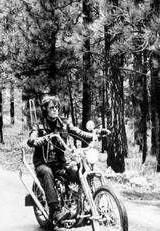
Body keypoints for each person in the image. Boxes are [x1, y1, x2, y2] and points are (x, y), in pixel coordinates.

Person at [26, 95, 109, 223]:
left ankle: (87, 203)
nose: (55, 110)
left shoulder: (64, 123)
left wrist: (95, 134)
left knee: (78, 170)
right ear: (45, 109)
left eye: (57, 107)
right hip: (43, 163)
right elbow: (32, 135)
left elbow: (78, 132)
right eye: (52, 107)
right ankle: (56, 210)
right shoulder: (39, 125)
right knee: (47, 172)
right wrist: (35, 140)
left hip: (60, 162)